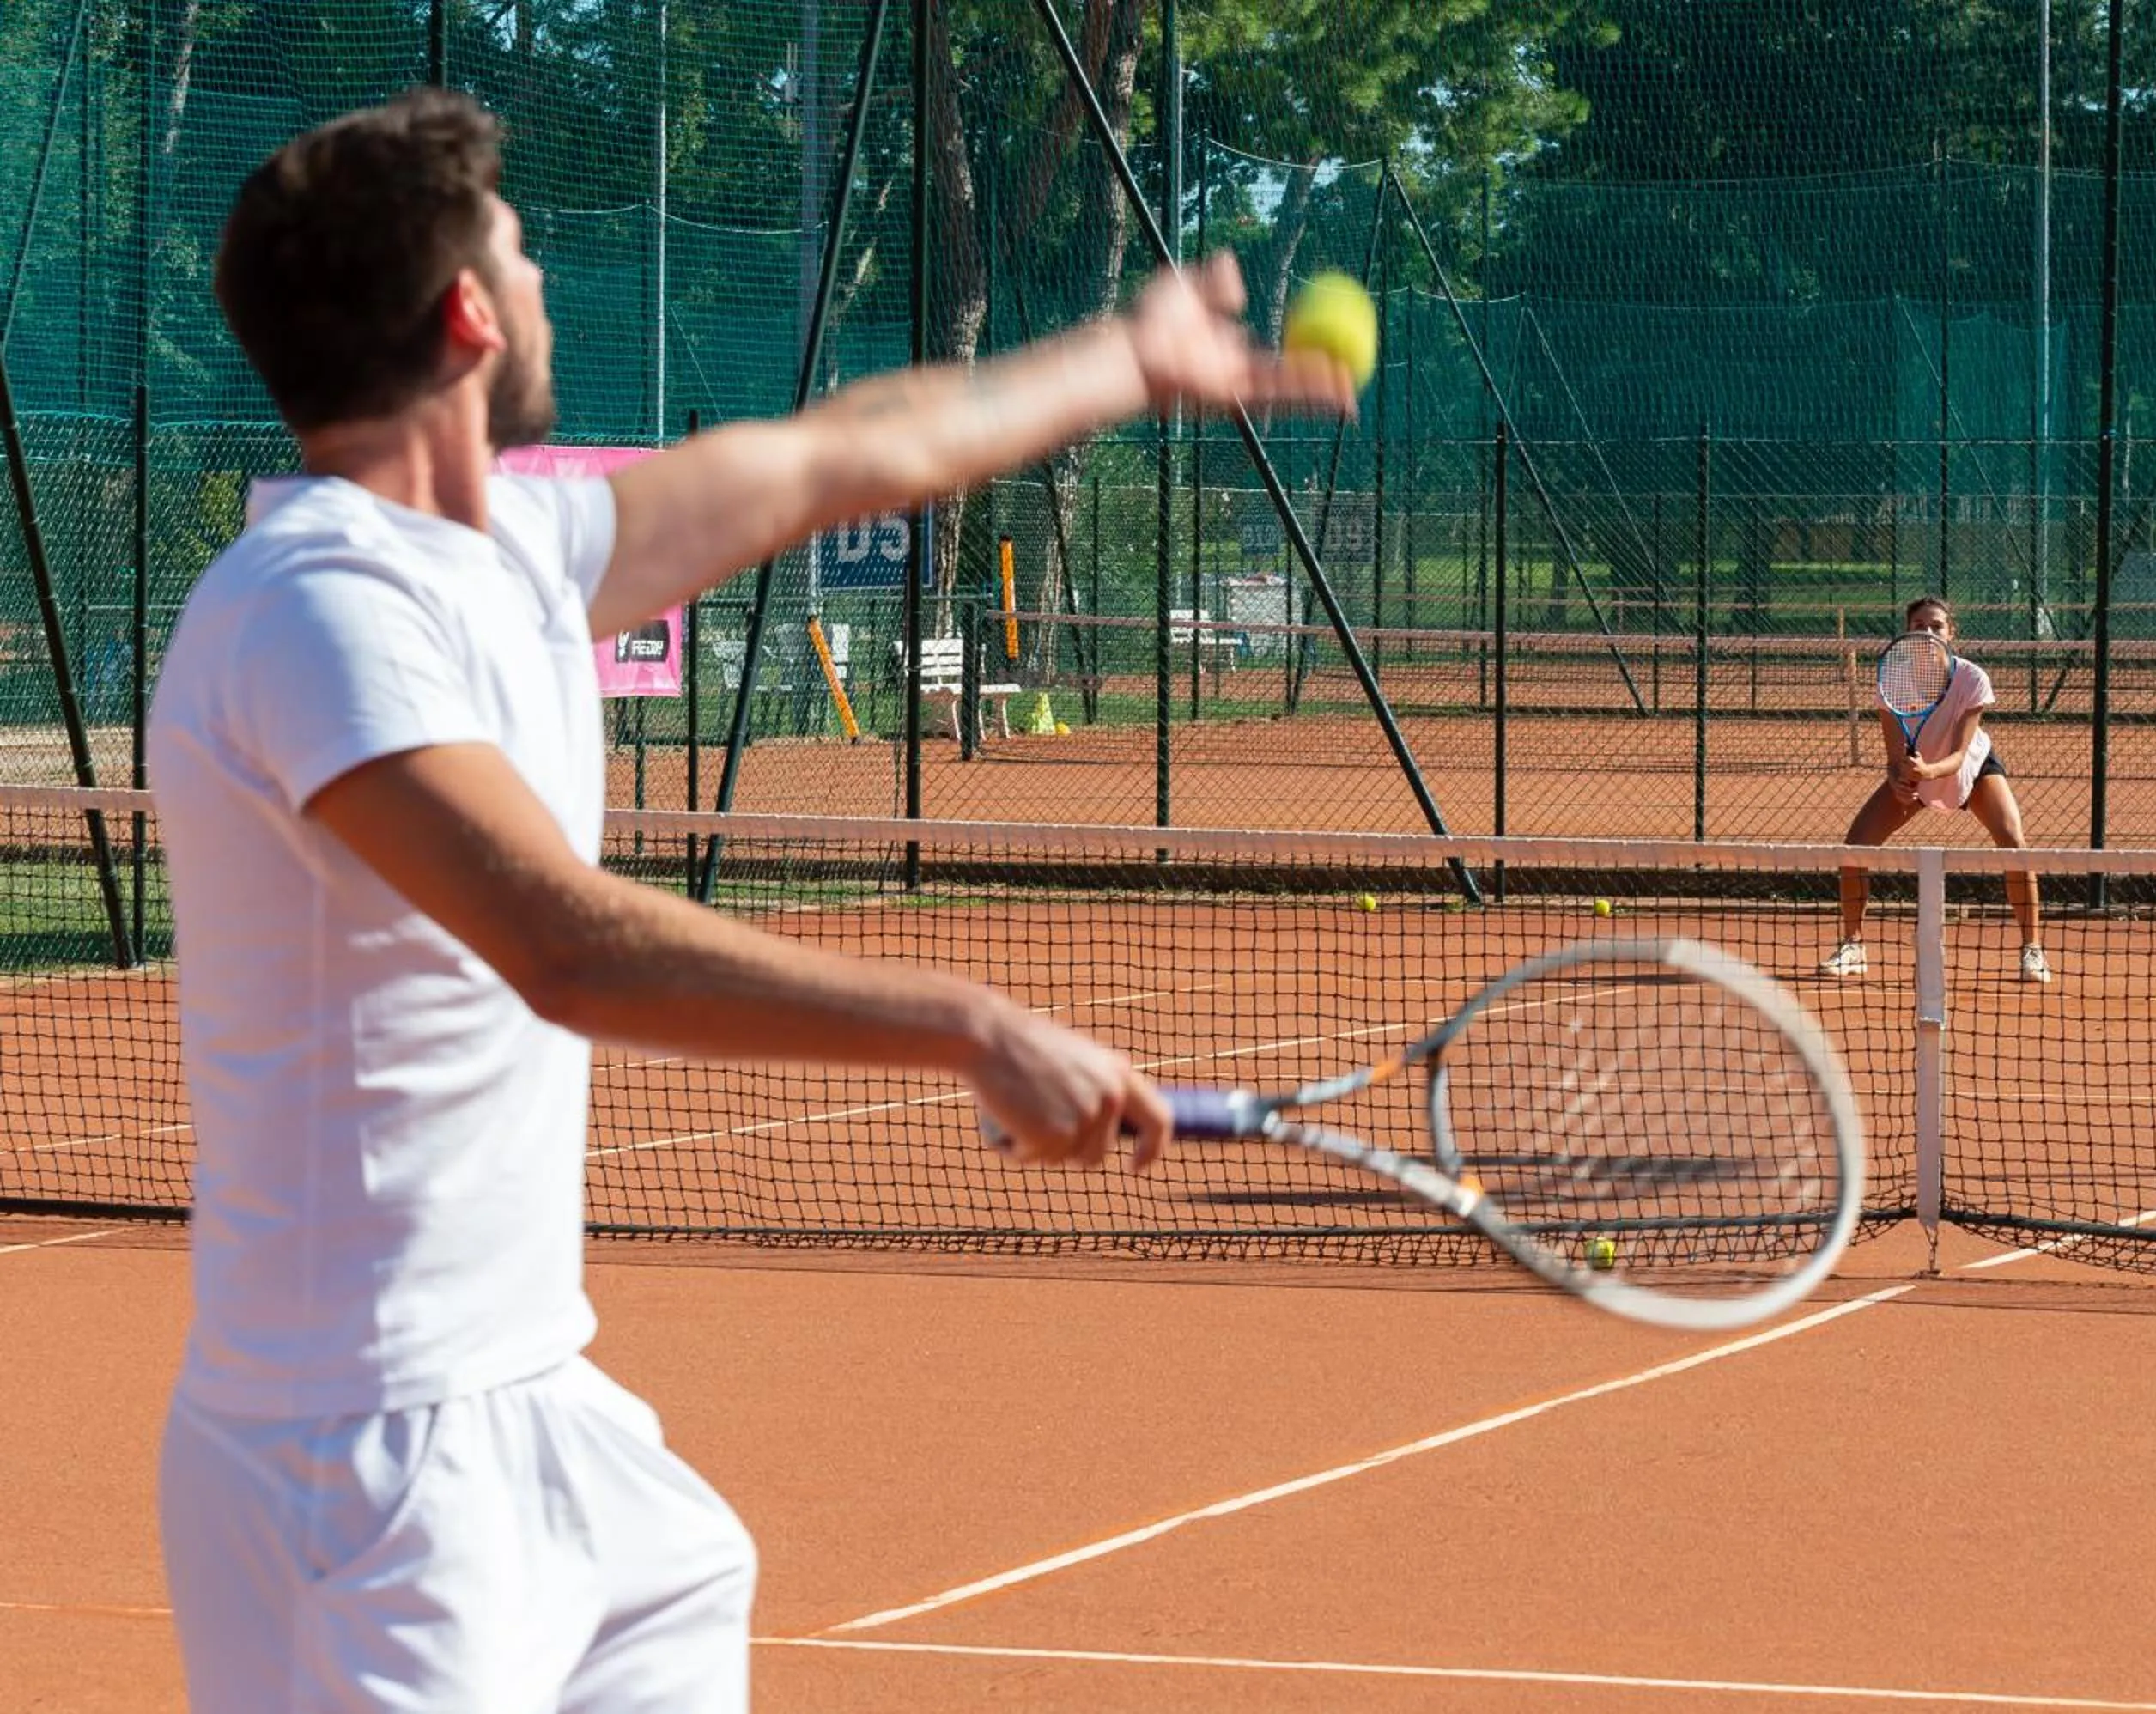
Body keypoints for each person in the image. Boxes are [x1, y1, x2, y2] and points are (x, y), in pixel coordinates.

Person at [147, 88, 1355, 1712]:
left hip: (541, 1410)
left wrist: (1129, 363)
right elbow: (565, 947)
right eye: (524, 255)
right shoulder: (315, 610)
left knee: (684, 1589)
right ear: (469, 316)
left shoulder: (517, 554)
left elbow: (846, 454)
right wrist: (972, 1026)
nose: (546, 284)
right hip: (359, 1459)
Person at [1819, 596, 2051, 985]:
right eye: (1919, 626)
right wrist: (1899, 781)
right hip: (1917, 770)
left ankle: (2033, 950)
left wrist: (1928, 771)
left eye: (1936, 626)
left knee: (2014, 843)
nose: (1928, 633)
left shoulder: (1972, 679)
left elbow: (1959, 755)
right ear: (1908, 633)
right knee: (1855, 847)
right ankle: (1853, 945)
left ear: (1951, 632)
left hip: (1972, 769)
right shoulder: (1891, 681)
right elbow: (1894, 756)